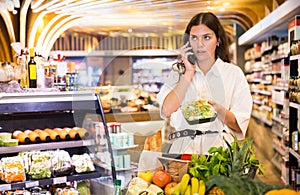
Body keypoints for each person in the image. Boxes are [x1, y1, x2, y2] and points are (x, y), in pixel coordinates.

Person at [157, 12, 253, 154]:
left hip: (220, 152)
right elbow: (166, 110)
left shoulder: (233, 73)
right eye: (194, 38)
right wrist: (188, 74)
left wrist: (219, 111)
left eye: (206, 37)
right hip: (184, 150)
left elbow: (240, 125)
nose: (199, 44)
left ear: (218, 40)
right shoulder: (179, 72)